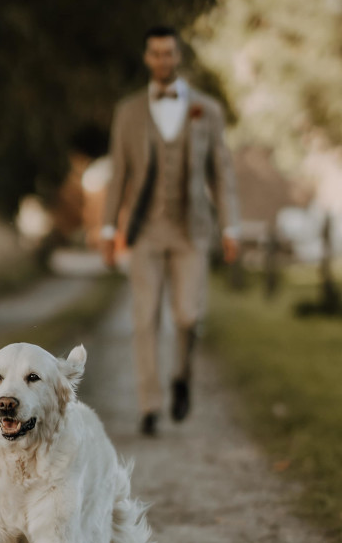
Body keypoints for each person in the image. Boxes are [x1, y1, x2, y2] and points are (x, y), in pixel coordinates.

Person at [100, 26, 240, 435]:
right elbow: (118, 175)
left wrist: (231, 226)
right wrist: (109, 230)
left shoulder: (207, 110)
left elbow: (223, 173)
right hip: (144, 230)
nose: (163, 60)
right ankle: (150, 405)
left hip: (191, 230)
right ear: (147, 58)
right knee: (144, 319)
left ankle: (182, 377)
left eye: (169, 54)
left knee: (187, 315)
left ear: (178, 57)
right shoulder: (127, 112)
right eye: (155, 54)